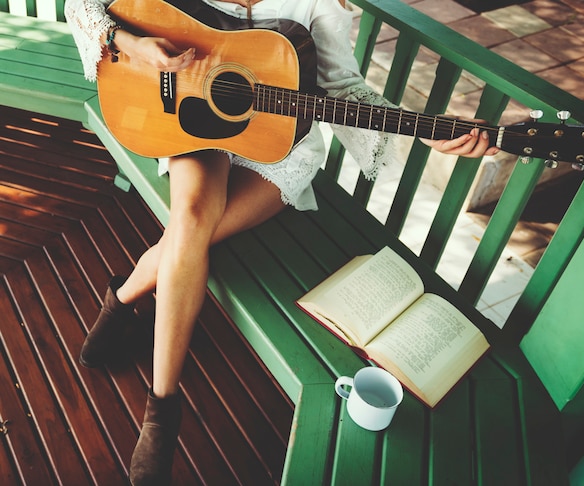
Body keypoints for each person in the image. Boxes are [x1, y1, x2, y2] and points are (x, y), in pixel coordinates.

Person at [65, 0, 499, 484]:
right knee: (190, 217)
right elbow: (82, 4)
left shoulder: (316, 3)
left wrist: (424, 130)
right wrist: (131, 43)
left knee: (192, 234)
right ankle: (163, 410)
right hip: (190, 121)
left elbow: (343, 88)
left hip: (277, 146)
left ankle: (122, 298)